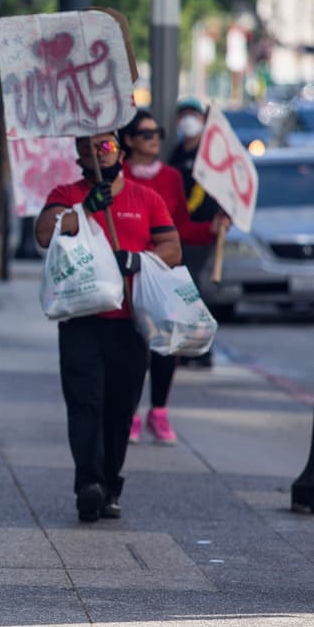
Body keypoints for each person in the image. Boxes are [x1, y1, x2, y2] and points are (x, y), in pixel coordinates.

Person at [36, 131, 181, 523]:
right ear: (78, 155)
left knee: (119, 408)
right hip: (81, 320)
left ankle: (111, 484)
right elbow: (45, 233)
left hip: (130, 323)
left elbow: (172, 249)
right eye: (87, 148)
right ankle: (88, 484)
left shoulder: (146, 199)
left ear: (120, 148)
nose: (97, 154)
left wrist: (136, 260)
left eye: (104, 146)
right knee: (85, 403)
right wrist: (82, 209)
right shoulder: (66, 194)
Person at [120, 111, 187, 445]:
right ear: (129, 140)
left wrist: (213, 229)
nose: (155, 139)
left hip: (163, 276)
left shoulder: (172, 178)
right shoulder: (115, 177)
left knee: (165, 346)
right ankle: (128, 413)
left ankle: (158, 412)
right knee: (133, 349)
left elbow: (182, 228)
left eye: (158, 133)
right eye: (146, 134)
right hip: (128, 276)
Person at [166, 97, 230, 367]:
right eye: (184, 115)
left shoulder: (210, 155)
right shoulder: (176, 153)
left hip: (206, 233)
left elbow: (227, 185)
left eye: (193, 114)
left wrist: (224, 215)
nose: (188, 120)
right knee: (182, 293)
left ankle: (202, 350)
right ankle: (186, 348)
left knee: (198, 292)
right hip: (179, 231)